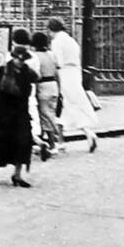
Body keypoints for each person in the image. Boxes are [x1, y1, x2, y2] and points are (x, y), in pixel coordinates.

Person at [0, 44, 36, 187]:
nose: (20, 62)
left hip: (20, 112)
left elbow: (28, 90)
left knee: (23, 143)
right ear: (13, 57)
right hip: (3, 112)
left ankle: (17, 174)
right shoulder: (3, 71)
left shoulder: (27, 73)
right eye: (18, 59)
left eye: (22, 60)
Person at [47, 17, 98, 152]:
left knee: (64, 106)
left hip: (64, 75)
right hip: (75, 73)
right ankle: (86, 133)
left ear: (51, 30)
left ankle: (63, 140)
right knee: (72, 106)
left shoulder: (57, 42)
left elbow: (58, 61)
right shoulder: (71, 41)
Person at [30, 31, 62, 159]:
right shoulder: (52, 55)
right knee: (50, 113)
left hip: (42, 85)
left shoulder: (34, 56)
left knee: (45, 116)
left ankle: (52, 144)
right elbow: (57, 73)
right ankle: (49, 141)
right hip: (53, 85)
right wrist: (59, 89)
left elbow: (36, 75)